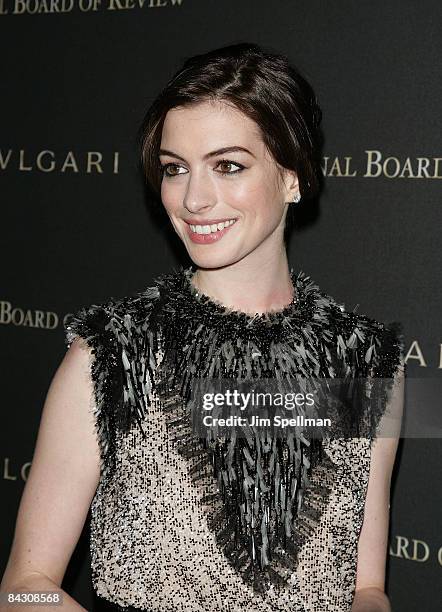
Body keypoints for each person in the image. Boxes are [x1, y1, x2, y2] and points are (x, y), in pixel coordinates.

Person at [1, 43, 405, 612]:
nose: (193, 198)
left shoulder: (368, 361)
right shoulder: (112, 353)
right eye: (174, 169)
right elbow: (25, 587)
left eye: (229, 166)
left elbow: (367, 587)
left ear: (293, 178)